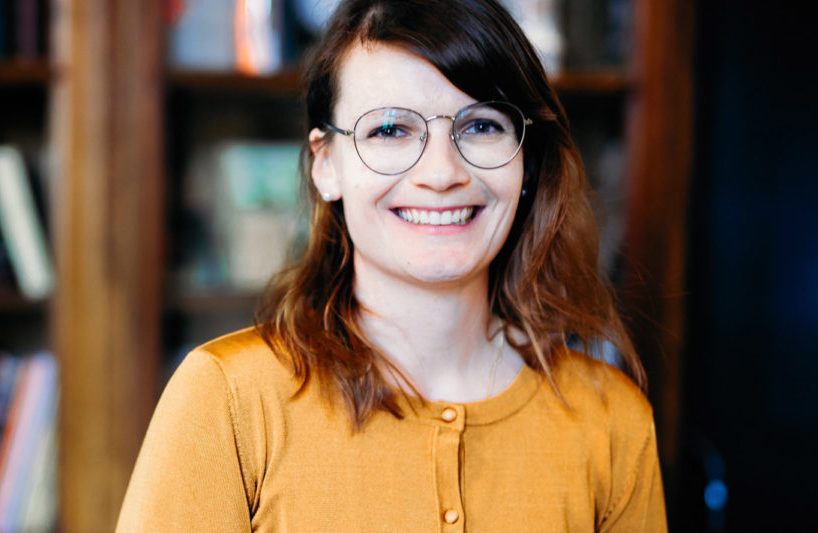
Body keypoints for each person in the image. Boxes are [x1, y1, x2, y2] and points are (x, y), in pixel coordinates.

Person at [117, 0, 667, 530]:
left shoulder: (611, 419)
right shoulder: (228, 400)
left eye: (481, 126)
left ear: (526, 163)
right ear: (326, 165)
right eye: (390, 130)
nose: (442, 172)